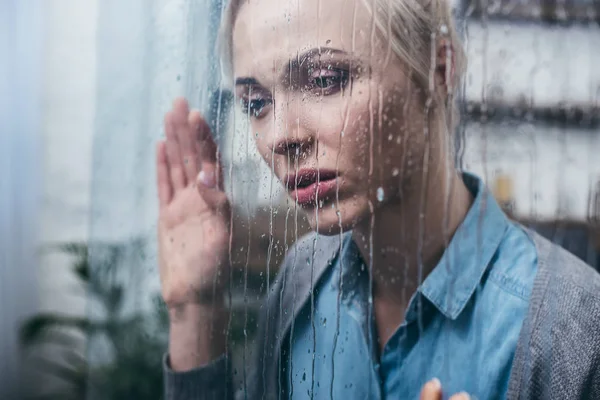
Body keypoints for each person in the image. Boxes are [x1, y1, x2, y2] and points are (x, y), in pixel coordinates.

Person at [157, 0, 600, 398]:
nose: (280, 137)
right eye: (256, 103)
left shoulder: (571, 328)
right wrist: (195, 310)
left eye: (324, 80)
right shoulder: (301, 281)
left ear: (438, 70)